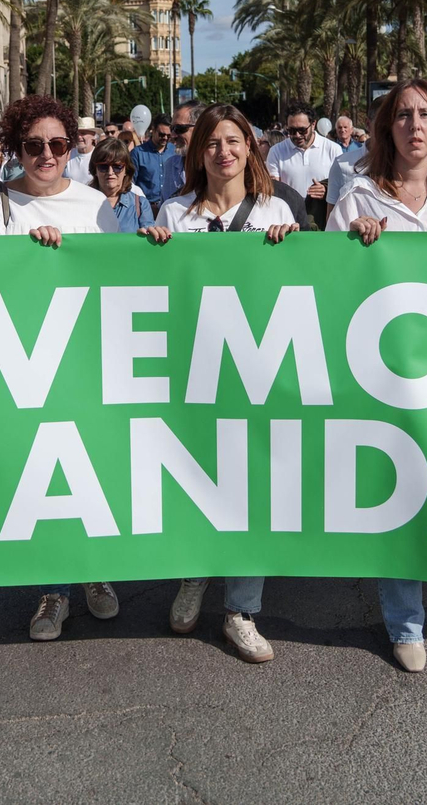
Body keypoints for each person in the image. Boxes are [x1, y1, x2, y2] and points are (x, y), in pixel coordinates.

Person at [325, 80, 427, 672]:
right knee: (399, 490)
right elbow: (326, 286)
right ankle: (406, 622)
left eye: (424, 115)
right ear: (386, 128)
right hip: (382, 376)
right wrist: (353, 246)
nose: (414, 126)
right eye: (402, 116)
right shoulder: (358, 198)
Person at [143, 104, 299, 663]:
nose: (223, 152)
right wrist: (149, 250)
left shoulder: (277, 209)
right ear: (197, 151)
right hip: (193, 369)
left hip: (257, 371)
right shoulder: (175, 211)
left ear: (249, 148)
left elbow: (301, 287)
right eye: (212, 142)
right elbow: (155, 287)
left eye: (233, 141)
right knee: (193, 477)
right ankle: (194, 574)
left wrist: (294, 246)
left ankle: (241, 609)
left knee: (251, 487)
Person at [0, 97, 122, 640]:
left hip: (83, 356)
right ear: (17, 148)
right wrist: (34, 258)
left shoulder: (94, 205)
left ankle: (94, 570)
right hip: (22, 360)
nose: (47, 154)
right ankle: (55, 589)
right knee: (41, 475)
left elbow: (118, 280)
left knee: (87, 470)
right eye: (34, 145)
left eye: (57, 144)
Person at [265, 103, 343, 229]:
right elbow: (273, 189)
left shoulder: (333, 149)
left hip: (321, 222)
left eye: (302, 130)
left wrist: (327, 190)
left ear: (313, 124)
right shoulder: (276, 151)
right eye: (291, 131)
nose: (297, 135)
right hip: (288, 222)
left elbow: (343, 188)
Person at [88, 138, 153, 233]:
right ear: (95, 170)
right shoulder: (83, 203)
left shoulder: (140, 204)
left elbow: (149, 236)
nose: (110, 172)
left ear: (126, 169)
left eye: (117, 166)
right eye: (103, 166)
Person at [156, 100, 201, 204]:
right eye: (172, 128)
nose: (172, 135)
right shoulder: (170, 165)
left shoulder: (216, 165)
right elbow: (165, 205)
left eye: (179, 129)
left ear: (200, 128)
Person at [129, 113, 177, 210]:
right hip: (146, 207)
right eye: (162, 134)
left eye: (169, 135)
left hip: (170, 206)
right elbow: (130, 183)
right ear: (153, 130)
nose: (165, 138)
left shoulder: (175, 151)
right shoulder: (138, 153)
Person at [64, 117, 100, 185]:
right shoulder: (67, 154)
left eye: (83, 133)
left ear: (93, 136)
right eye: (77, 133)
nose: (79, 137)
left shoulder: (98, 155)